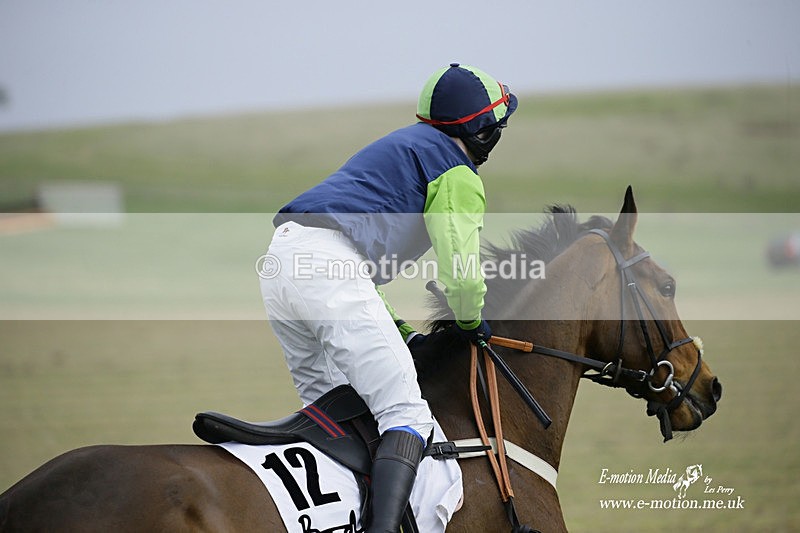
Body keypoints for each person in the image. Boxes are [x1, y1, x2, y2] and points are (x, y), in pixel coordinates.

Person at [260, 63, 517, 532]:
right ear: (482, 131)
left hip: (282, 261)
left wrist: (398, 331)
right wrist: (470, 320)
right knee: (408, 415)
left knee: (338, 412)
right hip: (326, 266)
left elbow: (354, 275)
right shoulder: (455, 171)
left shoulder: (403, 145)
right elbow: (460, 272)